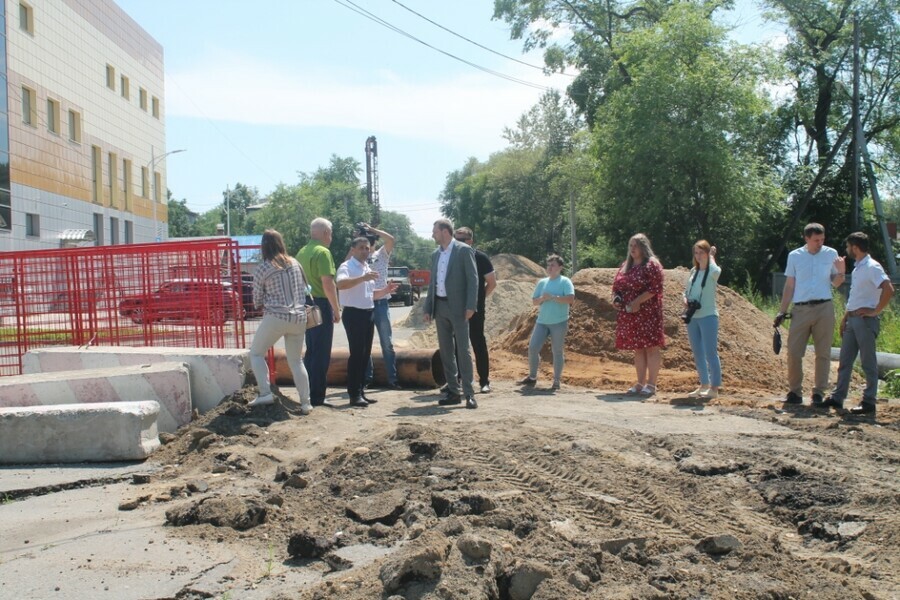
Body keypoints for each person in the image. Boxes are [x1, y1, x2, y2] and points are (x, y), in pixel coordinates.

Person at [822, 232, 894, 416]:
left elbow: (888, 288)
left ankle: (869, 401)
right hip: (853, 319)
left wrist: (875, 311)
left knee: (868, 361)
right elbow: (856, 296)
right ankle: (838, 397)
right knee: (845, 360)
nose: (847, 250)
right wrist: (846, 316)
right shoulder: (858, 268)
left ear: (854, 247)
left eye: (848, 246)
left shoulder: (872, 266)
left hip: (865, 320)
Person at [775, 223, 846, 406]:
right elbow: (790, 285)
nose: (820, 243)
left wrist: (841, 271)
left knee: (823, 352)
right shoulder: (795, 256)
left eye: (822, 239)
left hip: (824, 307)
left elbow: (836, 283)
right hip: (801, 309)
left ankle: (819, 392)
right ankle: (795, 392)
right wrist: (782, 310)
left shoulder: (831, 254)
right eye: (816, 240)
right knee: (794, 352)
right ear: (806, 238)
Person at [248, 229, 311, 414]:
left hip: (276, 316)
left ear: (264, 246)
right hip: (299, 317)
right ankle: (306, 403)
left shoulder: (263, 267)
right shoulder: (296, 263)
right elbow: (306, 289)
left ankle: (265, 392)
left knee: (256, 354)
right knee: (296, 361)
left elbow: (256, 300)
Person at [423, 218, 479, 409]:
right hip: (440, 307)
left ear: (445, 231)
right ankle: (453, 392)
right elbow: (432, 284)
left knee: (463, 350)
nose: (432, 235)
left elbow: (473, 280)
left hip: (460, 308)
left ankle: (470, 394)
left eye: (435, 231)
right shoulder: (435, 255)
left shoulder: (463, 250)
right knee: (446, 352)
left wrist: (471, 306)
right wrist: (427, 307)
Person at [336, 237, 398, 408]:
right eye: (361, 248)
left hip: (368, 312)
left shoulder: (366, 267)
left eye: (367, 248)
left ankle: (361, 391)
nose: (365, 251)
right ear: (353, 250)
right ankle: (354, 394)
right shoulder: (347, 266)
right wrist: (362, 278)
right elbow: (340, 284)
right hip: (354, 314)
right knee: (356, 355)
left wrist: (385, 290)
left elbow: (370, 295)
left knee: (365, 355)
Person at [612, 233, 665, 396]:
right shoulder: (625, 265)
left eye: (635, 245)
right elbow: (617, 285)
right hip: (630, 314)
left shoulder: (652, 265)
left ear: (643, 246)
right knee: (638, 349)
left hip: (648, 313)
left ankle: (652, 385)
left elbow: (655, 288)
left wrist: (637, 302)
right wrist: (616, 298)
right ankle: (640, 383)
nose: (632, 249)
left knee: (651, 348)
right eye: (630, 246)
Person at [297, 218, 341, 408]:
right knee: (322, 353)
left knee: (311, 350)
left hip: (305, 303)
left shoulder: (302, 252)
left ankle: (307, 393)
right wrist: (336, 309)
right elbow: (328, 284)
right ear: (325, 233)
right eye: (330, 233)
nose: (331, 237)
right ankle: (318, 397)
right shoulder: (323, 252)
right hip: (320, 304)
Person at [517, 254, 575, 390]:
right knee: (532, 348)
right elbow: (534, 301)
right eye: (548, 265)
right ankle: (532, 377)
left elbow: (570, 299)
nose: (549, 267)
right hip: (542, 321)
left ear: (560, 267)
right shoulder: (542, 282)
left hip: (559, 322)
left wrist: (553, 297)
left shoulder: (565, 281)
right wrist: (543, 298)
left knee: (557, 351)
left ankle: (556, 380)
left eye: (553, 265)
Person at [359, 223, 401, 390]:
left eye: (368, 240)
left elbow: (390, 239)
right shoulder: (358, 257)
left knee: (387, 342)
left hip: (381, 302)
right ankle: (367, 379)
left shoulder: (381, 254)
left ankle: (392, 379)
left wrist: (372, 229)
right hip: (365, 302)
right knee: (364, 344)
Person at [455, 227, 496, 393]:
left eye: (461, 240)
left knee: (478, 343)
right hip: (456, 308)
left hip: (475, 310)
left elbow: (492, 283)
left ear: (470, 241)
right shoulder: (452, 257)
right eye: (455, 239)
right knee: (457, 344)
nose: (457, 243)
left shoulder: (480, 257)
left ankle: (484, 381)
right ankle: (458, 380)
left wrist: (478, 300)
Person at [683, 240, 722, 399]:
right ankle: (704, 384)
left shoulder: (713, 270)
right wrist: (685, 299)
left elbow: (715, 268)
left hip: (708, 316)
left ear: (707, 254)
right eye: (696, 253)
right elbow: (686, 291)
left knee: (710, 352)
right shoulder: (693, 271)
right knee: (697, 352)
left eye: (702, 253)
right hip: (693, 316)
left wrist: (712, 256)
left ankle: (714, 387)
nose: (698, 256)